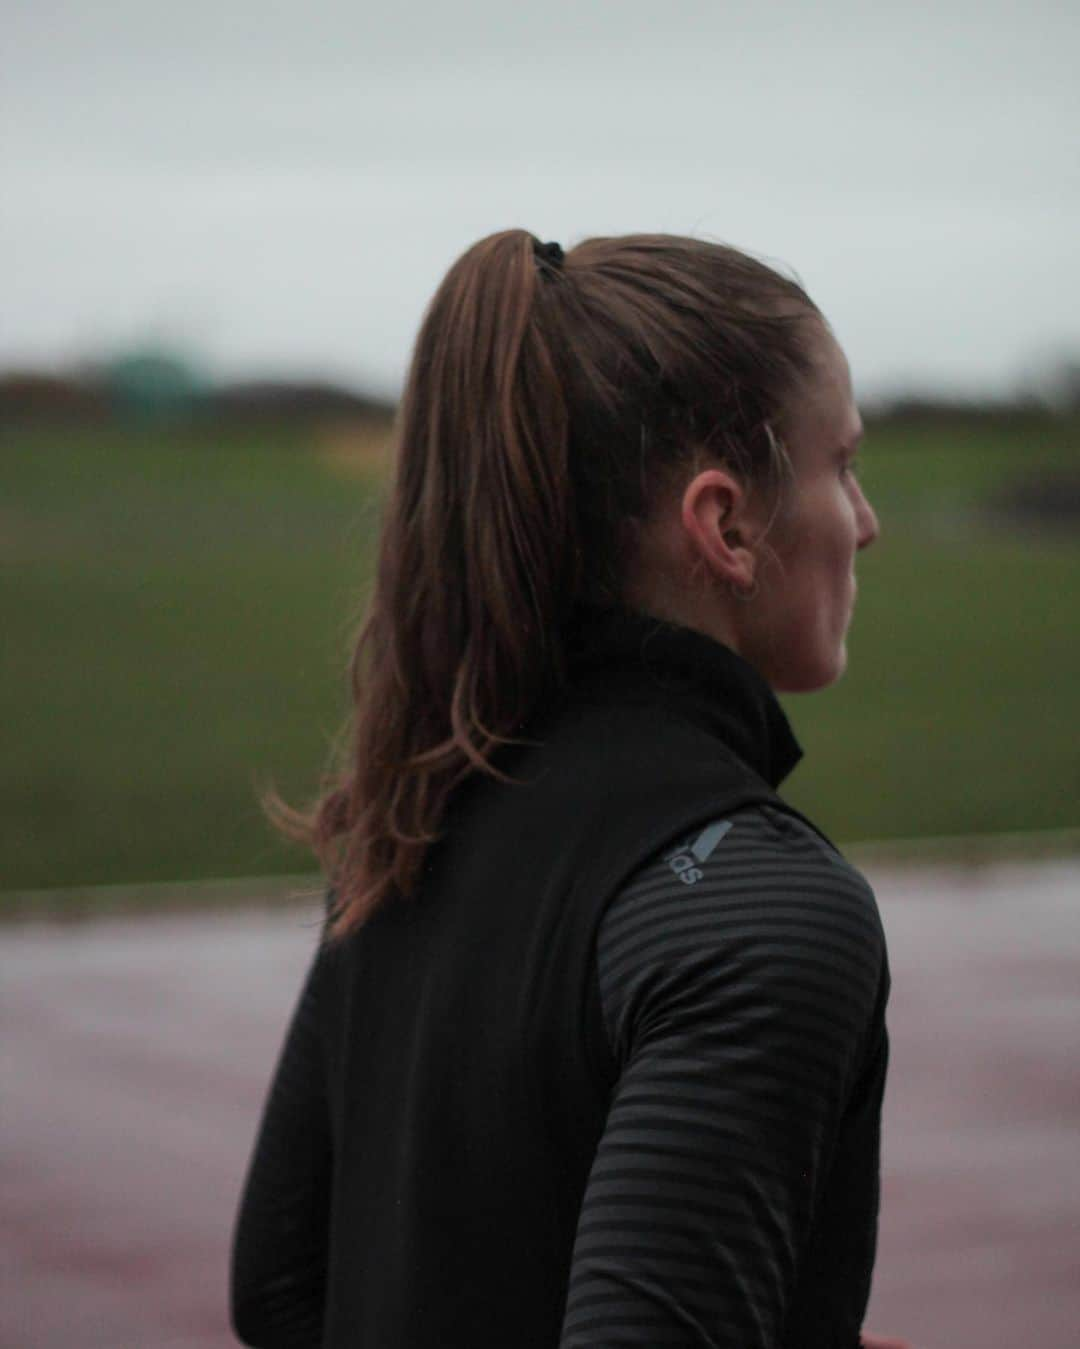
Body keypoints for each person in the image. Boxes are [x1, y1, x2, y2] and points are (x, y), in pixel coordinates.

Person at [230, 230, 912, 1348]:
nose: (866, 520)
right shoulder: (760, 906)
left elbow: (282, 1293)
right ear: (726, 523)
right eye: (842, 464)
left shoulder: (411, 814)